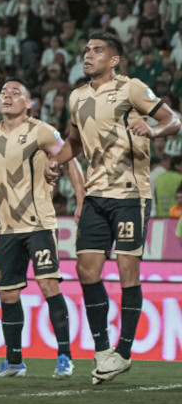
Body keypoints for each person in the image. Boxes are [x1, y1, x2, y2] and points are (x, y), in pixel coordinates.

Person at [45, 32, 180, 384]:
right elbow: (73, 141)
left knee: (126, 272)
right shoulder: (76, 96)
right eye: (87, 50)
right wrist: (55, 162)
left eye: (97, 51)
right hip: (95, 195)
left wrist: (152, 130)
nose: (88, 55)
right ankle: (104, 350)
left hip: (130, 194)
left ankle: (124, 350)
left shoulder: (132, 88)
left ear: (114, 59)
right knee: (86, 270)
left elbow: (174, 120)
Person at [0, 78, 85, 379]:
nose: (7, 96)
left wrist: (81, 199)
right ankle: (14, 361)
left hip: (39, 224)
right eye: (3, 93)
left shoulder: (41, 130)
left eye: (15, 93)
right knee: (8, 294)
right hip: (7, 227)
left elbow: (70, 158)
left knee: (49, 286)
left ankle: (64, 356)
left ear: (29, 102)